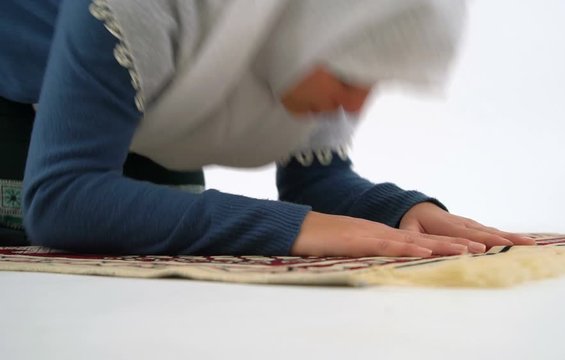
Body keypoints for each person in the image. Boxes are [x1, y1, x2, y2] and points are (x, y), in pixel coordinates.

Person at [0, 0, 535, 256]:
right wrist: (294, 228)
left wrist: (400, 211)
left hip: (146, 137)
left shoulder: (275, 28)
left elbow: (317, 183)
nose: (356, 104)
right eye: (349, 72)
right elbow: (61, 199)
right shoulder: (147, 8)